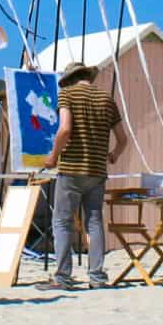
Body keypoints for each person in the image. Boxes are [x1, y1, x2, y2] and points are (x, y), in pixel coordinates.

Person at [44, 63, 126, 290]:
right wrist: (114, 155)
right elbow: (123, 138)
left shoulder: (67, 94)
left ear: (70, 79)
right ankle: (97, 276)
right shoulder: (107, 100)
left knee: (62, 221)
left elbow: (65, 129)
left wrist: (52, 156)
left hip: (71, 168)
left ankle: (62, 277)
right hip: (97, 170)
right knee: (94, 222)